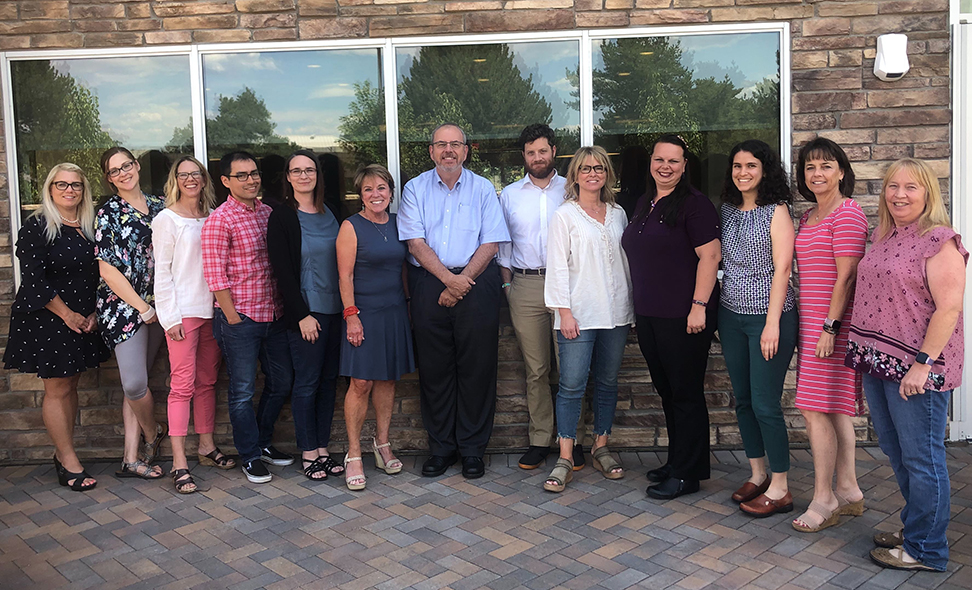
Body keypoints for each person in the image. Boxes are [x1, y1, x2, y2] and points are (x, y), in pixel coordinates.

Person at [845, 159, 966, 572]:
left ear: (929, 193)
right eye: (893, 186)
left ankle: (927, 550)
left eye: (911, 187)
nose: (899, 194)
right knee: (898, 454)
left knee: (922, 458)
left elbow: (948, 311)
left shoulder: (940, 241)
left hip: (917, 368)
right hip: (880, 363)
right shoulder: (883, 235)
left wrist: (921, 365)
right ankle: (918, 528)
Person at [397, 123, 511, 479]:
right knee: (435, 370)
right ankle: (442, 448)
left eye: (455, 144)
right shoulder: (414, 189)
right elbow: (414, 242)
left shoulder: (483, 189)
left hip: (477, 283)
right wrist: (449, 281)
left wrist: (462, 282)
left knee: (478, 369)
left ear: (466, 151)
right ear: (431, 151)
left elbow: (491, 243)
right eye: (441, 144)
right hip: (430, 283)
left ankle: (473, 450)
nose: (448, 150)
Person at [621, 134, 721, 500]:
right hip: (649, 313)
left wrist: (699, 305)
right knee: (667, 391)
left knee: (685, 393)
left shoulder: (695, 205)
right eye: (659, 159)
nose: (665, 167)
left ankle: (687, 474)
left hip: (684, 315)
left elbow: (710, 257)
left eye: (673, 161)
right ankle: (677, 459)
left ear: (684, 166)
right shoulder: (646, 201)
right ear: (651, 162)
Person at [3, 164, 109, 491]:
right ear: (50, 189)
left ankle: (63, 452)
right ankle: (68, 460)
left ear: (83, 190)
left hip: (83, 318)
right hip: (49, 318)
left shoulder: (90, 225)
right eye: (61, 184)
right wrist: (68, 315)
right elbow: (34, 280)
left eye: (76, 185)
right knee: (57, 389)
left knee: (71, 386)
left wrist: (93, 312)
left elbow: (101, 273)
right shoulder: (37, 227)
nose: (69, 190)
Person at [542, 146, 633, 492]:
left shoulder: (618, 214)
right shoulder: (564, 215)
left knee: (608, 382)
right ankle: (566, 455)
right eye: (585, 168)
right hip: (577, 314)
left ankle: (601, 446)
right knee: (572, 386)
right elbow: (558, 266)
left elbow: (624, 264)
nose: (592, 173)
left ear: (607, 173)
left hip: (616, 313)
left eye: (599, 167)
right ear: (575, 175)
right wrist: (563, 311)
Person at [202, 151, 294, 484]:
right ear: (225, 181)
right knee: (241, 391)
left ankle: (264, 442)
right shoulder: (220, 219)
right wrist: (234, 319)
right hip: (241, 318)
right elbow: (215, 276)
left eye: (253, 173)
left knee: (281, 381)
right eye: (241, 175)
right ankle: (250, 454)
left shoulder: (268, 212)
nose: (250, 180)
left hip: (274, 315)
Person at [791, 137, 869, 532]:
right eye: (809, 167)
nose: (817, 173)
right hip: (813, 326)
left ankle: (824, 499)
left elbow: (847, 276)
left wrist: (830, 328)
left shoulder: (848, 214)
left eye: (825, 165)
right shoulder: (809, 217)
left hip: (833, 326)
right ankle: (849, 490)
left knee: (812, 408)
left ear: (841, 170)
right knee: (834, 407)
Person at [498, 124, 586, 471]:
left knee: (571, 370)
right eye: (531, 152)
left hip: (569, 286)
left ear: (554, 151)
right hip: (526, 285)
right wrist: (508, 287)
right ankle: (539, 439)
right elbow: (502, 244)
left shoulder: (573, 190)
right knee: (536, 370)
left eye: (543, 151)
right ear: (525, 156)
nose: (538, 158)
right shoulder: (509, 195)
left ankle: (572, 439)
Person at [717, 140, 798, 516]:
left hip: (769, 318)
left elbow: (783, 268)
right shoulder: (727, 210)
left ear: (765, 170)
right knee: (744, 400)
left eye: (751, 165)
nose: (743, 172)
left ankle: (781, 487)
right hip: (731, 316)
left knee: (766, 404)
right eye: (737, 166)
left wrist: (771, 324)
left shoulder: (776, 210)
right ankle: (758, 473)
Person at [153, 156, 235, 494]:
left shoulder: (213, 216)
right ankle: (179, 462)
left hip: (212, 309)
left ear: (204, 179)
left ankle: (205, 445)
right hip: (183, 312)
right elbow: (161, 271)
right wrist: (169, 317)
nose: (190, 179)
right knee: (182, 385)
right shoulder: (166, 219)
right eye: (183, 174)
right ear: (175, 179)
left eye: (196, 174)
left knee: (207, 381)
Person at [336, 164, 415, 490]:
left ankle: (382, 444)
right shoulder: (351, 227)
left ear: (390, 192)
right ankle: (354, 454)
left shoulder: (399, 223)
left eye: (381, 188)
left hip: (394, 311)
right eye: (368, 189)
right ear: (361, 195)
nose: (375, 194)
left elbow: (405, 269)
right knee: (362, 382)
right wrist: (351, 315)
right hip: (363, 313)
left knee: (387, 379)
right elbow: (345, 276)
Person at [267, 150, 344, 482]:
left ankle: (323, 448)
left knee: (329, 383)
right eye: (296, 171)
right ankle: (308, 452)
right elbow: (282, 272)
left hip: (337, 311)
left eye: (308, 170)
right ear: (287, 176)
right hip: (307, 315)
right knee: (307, 383)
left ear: (317, 175)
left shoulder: (334, 213)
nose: (303, 176)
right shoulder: (282, 217)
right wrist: (301, 315)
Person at [95, 147, 167, 481]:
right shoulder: (108, 212)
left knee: (134, 383)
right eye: (115, 170)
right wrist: (143, 306)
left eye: (127, 165)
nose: (123, 173)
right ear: (109, 179)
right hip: (124, 307)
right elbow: (107, 270)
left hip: (159, 305)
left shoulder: (159, 205)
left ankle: (130, 458)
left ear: (136, 166)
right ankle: (153, 433)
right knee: (135, 383)